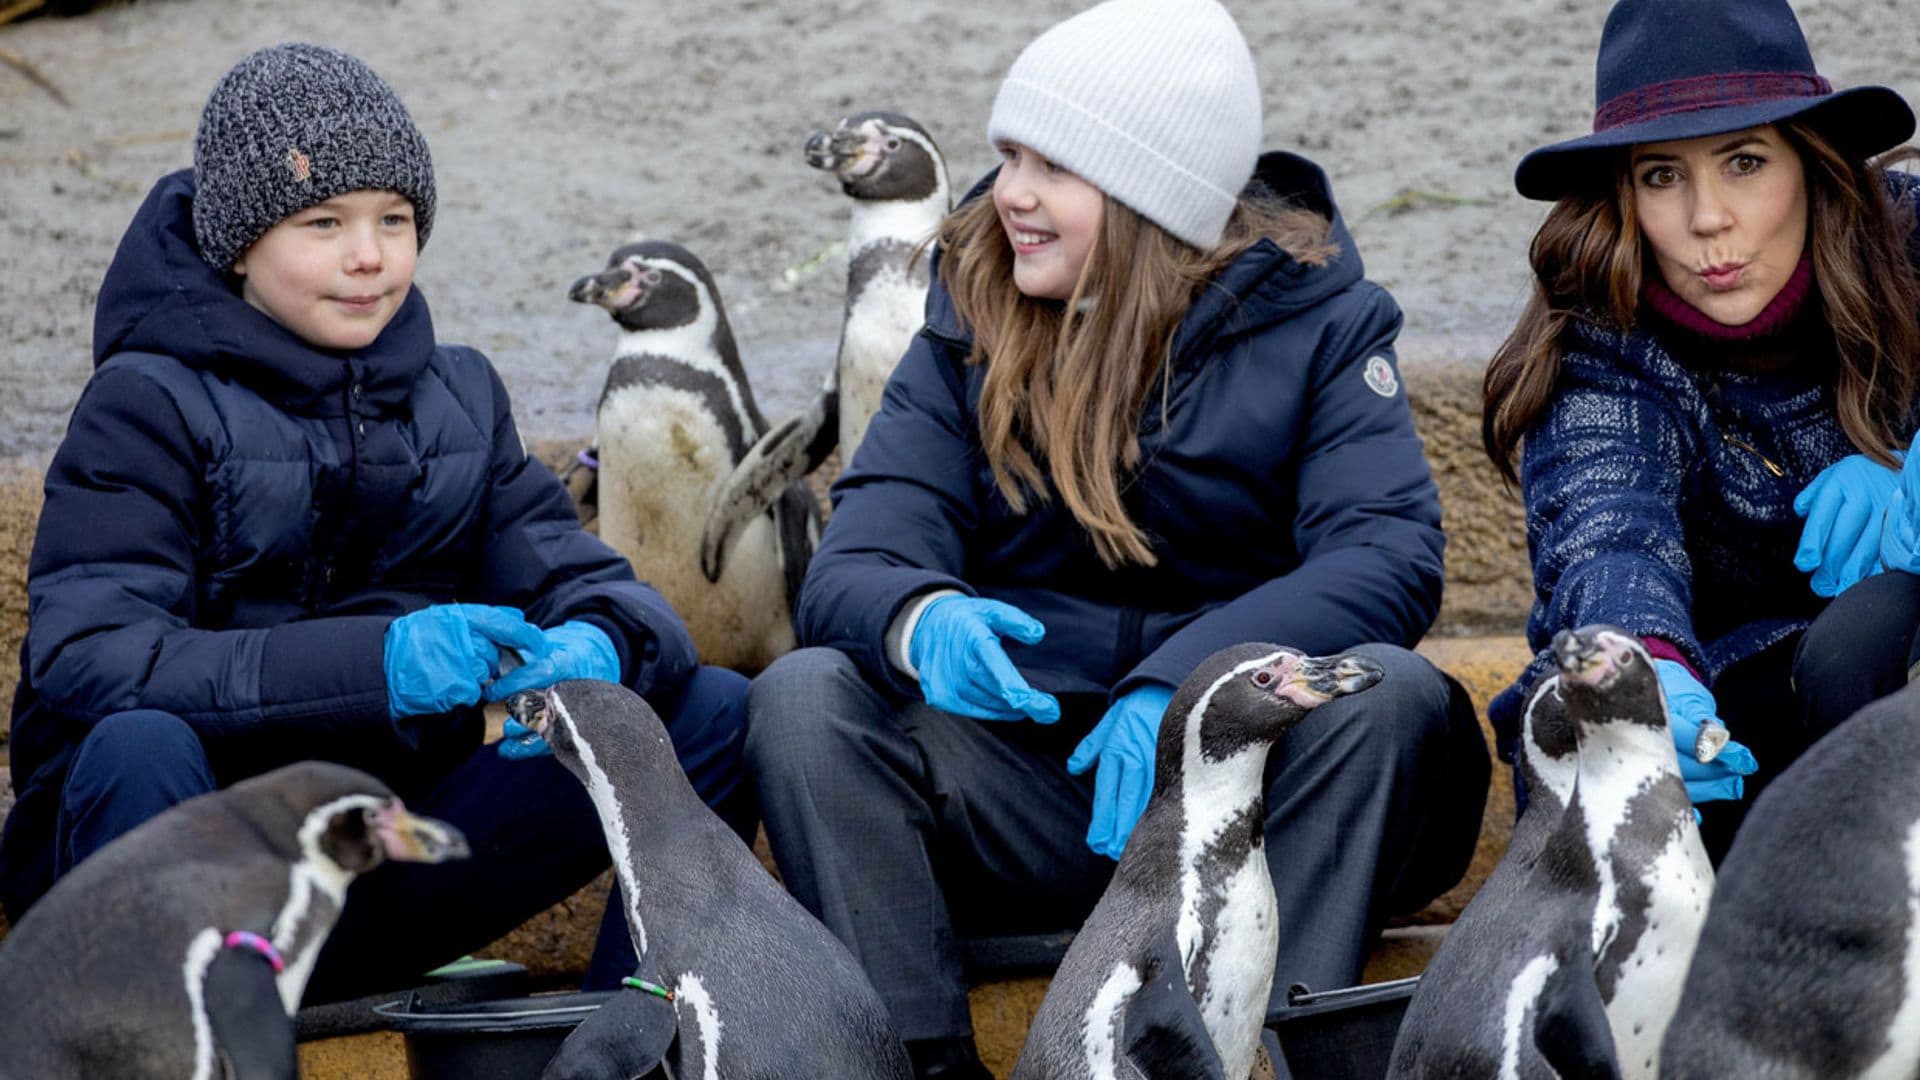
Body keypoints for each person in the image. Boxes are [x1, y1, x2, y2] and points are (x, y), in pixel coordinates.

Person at [744, 0, 1490, 1074]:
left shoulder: (1324, 321)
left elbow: (1388, 555)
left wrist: (1184, 689)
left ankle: (1270, 1048)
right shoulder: (967, 316)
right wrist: (921, 619)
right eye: (1008, 155)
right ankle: (914, 1060)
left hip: (1254, 805)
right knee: (806, 695)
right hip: (1040, 793)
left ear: (1153, 197)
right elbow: (858, 559)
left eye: (1055, 166)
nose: (1011, 196)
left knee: (1395, 698)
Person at [0, 42, 752, 1000]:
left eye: (393, 220)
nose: (368, 256)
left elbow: (603, 591)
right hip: (160, 877)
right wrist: (380, 664)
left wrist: (601, 646)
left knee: (707, 714)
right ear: (240, 242)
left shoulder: (461, 397)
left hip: (372, 863)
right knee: (138, 743)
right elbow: (94, 655)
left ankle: (631, 1046)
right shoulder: (143, 403)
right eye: (324, 222)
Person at [1484, 0, 1920, 857]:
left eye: (1745, 161)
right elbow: (1608, 533)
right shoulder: (1600, 343)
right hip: (1726, 737)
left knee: (1872, 626)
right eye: (1661, 176)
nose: (1707, 219)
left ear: (1811, 162)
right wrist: (1649, 675)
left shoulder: (1907, 242)